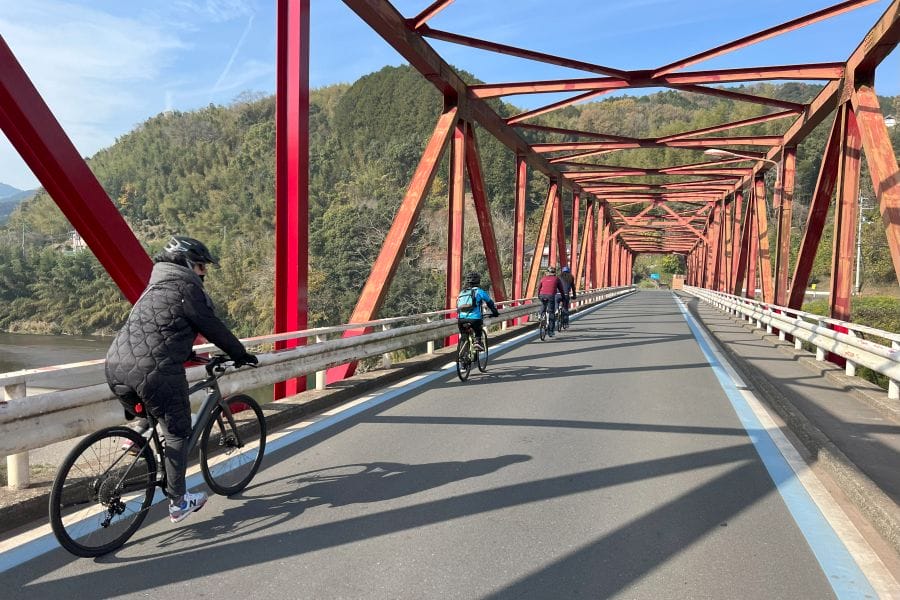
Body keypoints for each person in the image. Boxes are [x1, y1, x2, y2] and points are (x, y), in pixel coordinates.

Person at [105, 236, 258, 524]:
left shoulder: (155, 287)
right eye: (202, 266)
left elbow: (159, 331)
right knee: (177, 432)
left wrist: (187, 352)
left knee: (152, 411)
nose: (205, 272)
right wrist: (240, 353)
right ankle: (178, 502)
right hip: (153, 371)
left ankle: (138, 437)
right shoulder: (188, 287)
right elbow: (212, 326)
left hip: (115, 365)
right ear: (188, 264)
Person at [456, 271, 500, 350]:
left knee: (464, 334)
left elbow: (458, 305)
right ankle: (477, 342)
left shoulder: (462, 292)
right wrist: (495, 312)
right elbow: (490, 303)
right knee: (478, 330)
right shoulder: (479, 291)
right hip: (474, 319)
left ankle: (462, 353)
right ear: (478, 281)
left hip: (461, 319)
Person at [537, 266, 565, 337]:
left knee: (543, 305)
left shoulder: (543, 278)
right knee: (551, 313)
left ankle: (540, 314)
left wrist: (539, 295)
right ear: (554, 272)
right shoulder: (556, 279)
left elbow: (539, 287)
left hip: (542, 295)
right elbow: (561, 289)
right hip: (551, 296)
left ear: (547, 272)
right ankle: (550, 331)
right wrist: (563, 296)